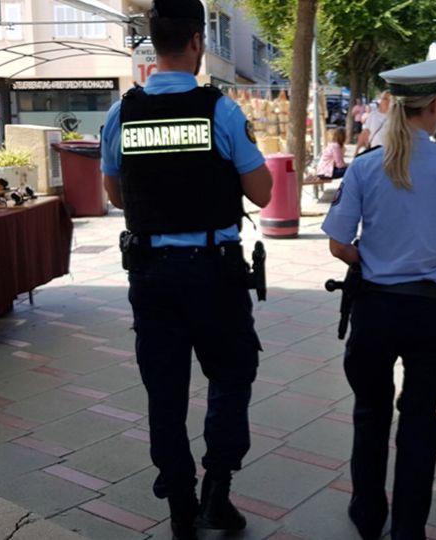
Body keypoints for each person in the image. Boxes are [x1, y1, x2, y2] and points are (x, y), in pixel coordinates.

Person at [100, 1, 273, 538]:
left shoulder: (120, 112)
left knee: (165, 389)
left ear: (154, 42)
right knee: (230, 376)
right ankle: (216, 494)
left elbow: (114, 192)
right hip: (214, 276)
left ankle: (179, 505)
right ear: (198, 41)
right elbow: (263, 194)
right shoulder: (218, 110)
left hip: (151, 275)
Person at [322, 59, 436, 540]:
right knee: (420, 419)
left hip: (376, 309)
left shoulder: (364, 168)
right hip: (430, 311)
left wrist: (372, 262)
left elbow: (339, 245)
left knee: (369, 413)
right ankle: (408, 529)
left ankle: (366, 516)